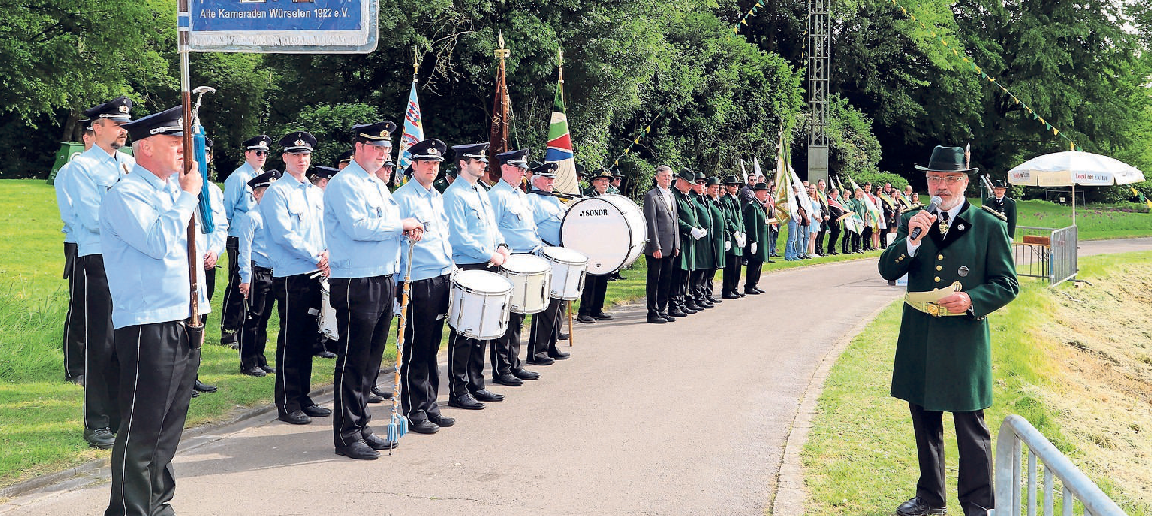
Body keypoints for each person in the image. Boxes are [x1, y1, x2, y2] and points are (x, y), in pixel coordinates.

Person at [879, 145, 1019, 516]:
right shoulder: (912, 219)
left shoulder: (988, 225)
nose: (941, 186)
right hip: (920, 338)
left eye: (949, 179)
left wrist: (972, 300)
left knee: (970, 426)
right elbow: (887, 270)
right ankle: (930, 497)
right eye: (934, 178)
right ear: (926, 180)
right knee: (924, 421)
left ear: (964, 182)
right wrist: (911, 241)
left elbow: (1007, 283)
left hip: (963, 341)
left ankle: (977, 502)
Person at [99, 105, 206, 516]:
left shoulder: (169, 190)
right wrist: (187, 195)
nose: (184, 149)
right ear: (145, 147)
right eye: (174, 141)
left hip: (184, 318)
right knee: (142, 428)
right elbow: (159, 243)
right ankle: (129, 510)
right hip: (149, 324)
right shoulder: (127, 194)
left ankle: (157, 504)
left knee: (168, 428)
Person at [323, 121, 423, 457]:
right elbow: (359, 228)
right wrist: (401, 224)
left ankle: (361, 425)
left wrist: (403, 231)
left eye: (386, 149)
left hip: (381, 277)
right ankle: (347, 434)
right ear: (359, 147)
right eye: (376, 148)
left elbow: (384, 224)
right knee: (353, 359)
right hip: (356, 280)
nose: (383, 155)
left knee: (370, 362)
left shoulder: (375, 184)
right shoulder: (345, 183)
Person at [59, 96, 135, 449]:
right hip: (100, 260)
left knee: (125, 340)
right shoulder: (81, 168)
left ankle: (121, 416)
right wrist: (136, 225)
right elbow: (91, 220)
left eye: (126, 124)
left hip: (131, 260)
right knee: (100, 343)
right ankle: (97, 421)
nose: (123, 130)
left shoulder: (132, 165)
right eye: (117, 124)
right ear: (98, 127)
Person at [261, 131, 332, 426]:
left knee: (308, 339)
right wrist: (316, 254)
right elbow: (283, 235)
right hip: (292, 275)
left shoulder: (316, 193)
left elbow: (327, 228)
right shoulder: (277, 193)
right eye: (295, 155)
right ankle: (288, 402)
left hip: (317, 272)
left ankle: (304, 396)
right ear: (285, 158)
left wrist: (329, 253)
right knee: (291, 340)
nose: (301, 160)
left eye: (305, 155)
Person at [393, 138, 459, 434]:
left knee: (432, 345)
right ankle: (414, 409)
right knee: (416, 347)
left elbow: (443, 237)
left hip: (442, 275)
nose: (432, 168)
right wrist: (398, 284)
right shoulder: (403, 197)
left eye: (436, 163)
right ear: (414, 165)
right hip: (418, 279)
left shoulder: (437, 196)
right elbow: (394, 242)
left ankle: (430, 404)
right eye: (426, 163)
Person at [443, 142, 507, 410]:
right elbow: (459, 237)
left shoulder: (481, 191)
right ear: (462, 163)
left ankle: (476, 384)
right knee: (465, 330)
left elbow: (492, 228)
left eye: (483, 161)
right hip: (468, 267)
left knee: (482, 329)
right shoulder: (454, 194)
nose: (483, 164)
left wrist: (502, 245)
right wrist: (490, 254)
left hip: (487, 264)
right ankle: (458, 390)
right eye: (477, 160)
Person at [487, 149, 543, 385]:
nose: (523, 173)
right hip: (509, 262)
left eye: (523, 169)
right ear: (505, 168)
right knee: (506, 317)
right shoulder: (497, 195)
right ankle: (503, 368)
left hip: (526, 260)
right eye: (518, 169)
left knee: (518, 315)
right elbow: (492, 230)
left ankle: (514, 362)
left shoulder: (519, 194)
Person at [220, 135, 271, 347]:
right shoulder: (238, 177)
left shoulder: (263, 177)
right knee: (237, 283)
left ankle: (244, 327)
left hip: (257, 238)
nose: (262, 156)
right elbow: (228, 210)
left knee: (253, 287)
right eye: (258, 152)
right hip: (238, 236)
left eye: (265, 153)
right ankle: (229, 329)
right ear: (247, 154)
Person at [54, 126, 95, 385]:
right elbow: (70, 213)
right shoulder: (71, 171)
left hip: (107, 247)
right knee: (80, 305)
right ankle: (75, 368)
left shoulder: (119, 166)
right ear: (87, 138)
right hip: (80, 242)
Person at [236, 170, 280, 378]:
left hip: (273, 271)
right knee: (253, 318)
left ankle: (260, 357)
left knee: (264, 318)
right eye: (266, 192)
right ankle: (248, 361)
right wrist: (245, 277)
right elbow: (244, 249)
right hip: (257, 271)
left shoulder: (275, 215)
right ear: (256, 194)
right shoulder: (251, 216)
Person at [641, 165, 680, 323]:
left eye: (670, 176)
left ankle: (662, 309)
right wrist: (655, 246)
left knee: (666, 279)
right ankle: (652, 312)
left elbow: (675, 221)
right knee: (654, 280)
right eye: (664, 176)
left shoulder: (671, 195)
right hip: (657, 247)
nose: (667, 179)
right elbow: (651, 223)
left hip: (670, 245)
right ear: (657, 177)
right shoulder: (652, 196)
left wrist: (676, 243)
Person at [576, 169, 616, 322]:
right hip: (591, 243)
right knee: (591, 278)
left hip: (605, 243)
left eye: (607, 180)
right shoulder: (587, 197)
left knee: (603, 277)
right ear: (594, 182)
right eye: (601, 180)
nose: (605, 183)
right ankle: (584, 312)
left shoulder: (610, 198)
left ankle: (597, 309)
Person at [689, 173, 715, 309]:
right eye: (698, 182)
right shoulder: (692, 199)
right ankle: (696, 296)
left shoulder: (702, 198)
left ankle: (702, 295)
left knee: (705, 269)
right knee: (698, 270)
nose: (701, 185)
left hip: (706, 239)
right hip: (698, 240)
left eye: (703, 183)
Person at [742, 183, 771, 294]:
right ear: (757, 192)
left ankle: (754, 283)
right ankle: (749, 285)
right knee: (754, 263)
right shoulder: (752, 206)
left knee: (759, 262)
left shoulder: (759, 205)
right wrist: (753, 240)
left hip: (761, 239)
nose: (766, 194)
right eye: (764, 192)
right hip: (756, 239)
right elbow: (752, 224)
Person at [720, 176, 745, 298]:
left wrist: (743, 233)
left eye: (736, 185)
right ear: (727, 187)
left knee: (738, 265)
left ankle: (735, 287)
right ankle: (727, 290)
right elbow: (728, 219)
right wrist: (735, 233)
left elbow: (741, 219)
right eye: (732, 185)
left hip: (739, 236)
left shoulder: (737, 200)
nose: (735, 187)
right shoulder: (725, 200)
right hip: (732, 236)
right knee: (731, 265)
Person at [703, 176, 727, 303]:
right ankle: (705, 294)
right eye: (713, 188)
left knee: (713, 267)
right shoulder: (707, 201)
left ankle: (709, 293)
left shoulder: (717, 201)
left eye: (717, 188)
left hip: (718, 239)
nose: (715, 190)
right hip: (710, 239)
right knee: (708, 268)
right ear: (707, 189)